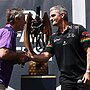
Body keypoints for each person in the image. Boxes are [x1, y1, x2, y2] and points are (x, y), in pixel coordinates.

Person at [24, 5, 90, 90]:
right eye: (50, 16)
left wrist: (88, 71)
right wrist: (29, 56)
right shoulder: (53, 37)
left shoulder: (78, 30)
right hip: (66, 80)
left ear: (62, 15)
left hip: (83, 77)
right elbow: (45, 56)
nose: (51, 19)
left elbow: (89, 51)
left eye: (53, 16)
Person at [0, 8, 29, 90]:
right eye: (23, 19)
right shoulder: (8, 32)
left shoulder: (2, 31)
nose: (25, 22)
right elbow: (4, 53)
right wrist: (19, 55)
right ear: (16, 19)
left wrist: (17, 58)